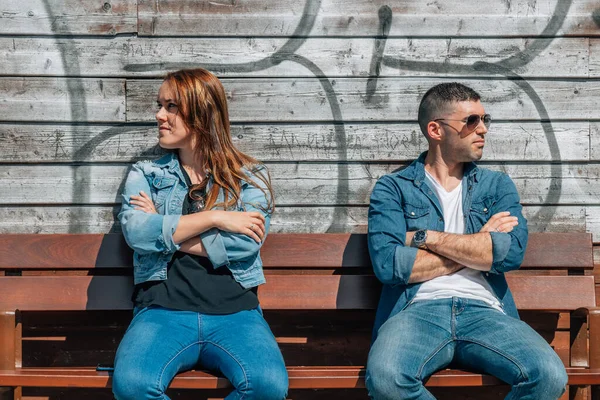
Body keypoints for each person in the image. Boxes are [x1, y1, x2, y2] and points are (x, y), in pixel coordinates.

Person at [365, 82, 567, 399]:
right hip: (417, 311)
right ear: (436, 129)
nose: (483, 129)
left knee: (548, 376)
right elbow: (390, 267)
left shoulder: (496, 186)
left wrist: (424, 236)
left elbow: (508, 254)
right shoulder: (394, 188)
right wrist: (478, 245)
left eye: (486, 119)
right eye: (471, 121)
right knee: (387, 379)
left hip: (486, 310)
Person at [112, 68, 288, 400]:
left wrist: (165, 229)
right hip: (162, 311)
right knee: (133, 386)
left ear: (201, 112)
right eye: (160, 105)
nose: (159, 115)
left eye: (171, 106)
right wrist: (216, 217)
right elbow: (137, 231)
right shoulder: (146, 174)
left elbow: (244, 244)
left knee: (267, 386)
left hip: (235, 313)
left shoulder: (248, 177)